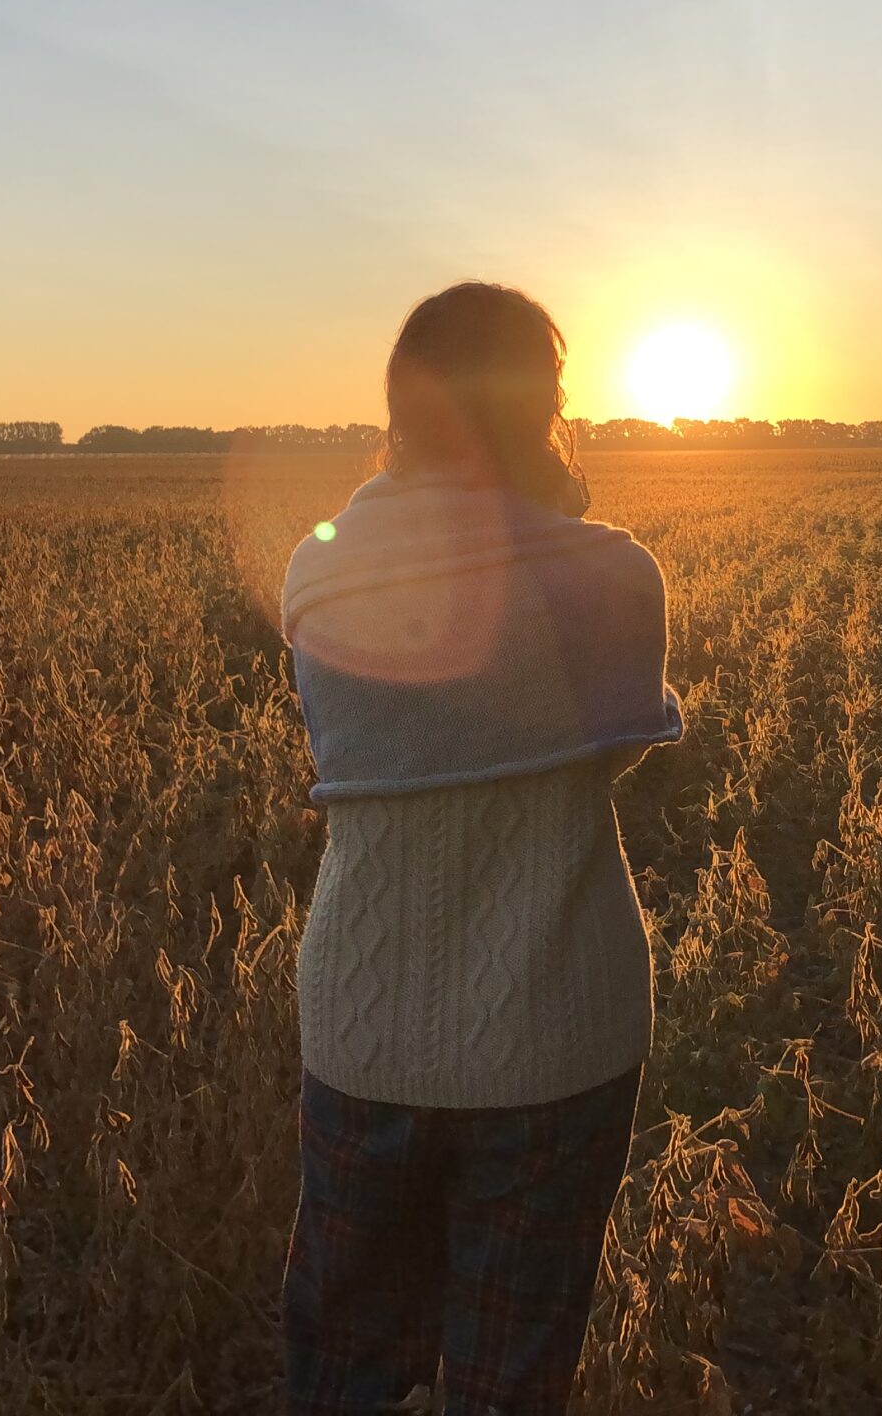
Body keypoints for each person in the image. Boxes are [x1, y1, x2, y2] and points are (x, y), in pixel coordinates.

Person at [278, 281, 683, 1416]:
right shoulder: (613, 576)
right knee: (512, 1368)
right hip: (560, 1025)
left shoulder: (320, 570)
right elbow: (607, 753)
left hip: (365, 1025)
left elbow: (363, 749)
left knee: (343, 1358)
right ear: (544, 403)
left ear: (401, 404)